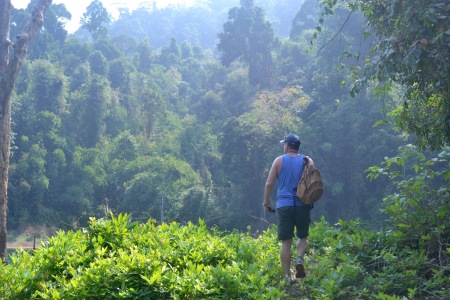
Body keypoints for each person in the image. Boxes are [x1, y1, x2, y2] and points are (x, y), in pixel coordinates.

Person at [263, 134, 312, 282]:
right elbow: (313, 181)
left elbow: (269, 183)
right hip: (303, 204)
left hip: (284, 205)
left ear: (287, 145)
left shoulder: (279, 160)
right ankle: (299, 259)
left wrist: (267, 201)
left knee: (286, 241)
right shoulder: (307, 160)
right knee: (303, 237)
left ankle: (287, 276)